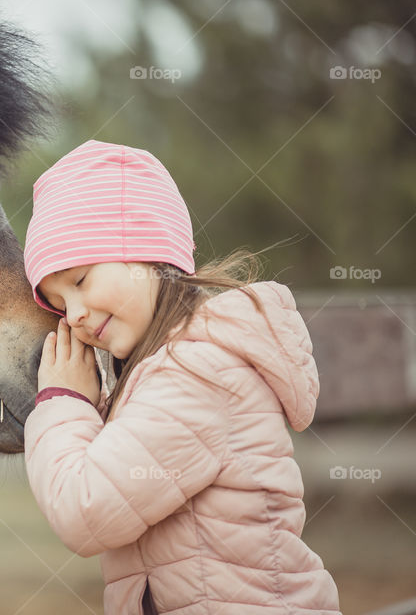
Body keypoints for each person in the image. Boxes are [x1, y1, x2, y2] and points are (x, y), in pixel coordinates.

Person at [21, 140, 341, 614]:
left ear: (148, 252)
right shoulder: (169, 368)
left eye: (82, 280)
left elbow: (84, 512)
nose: (76, 316)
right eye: (60, 304)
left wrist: (63, 400)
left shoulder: (199, 371)